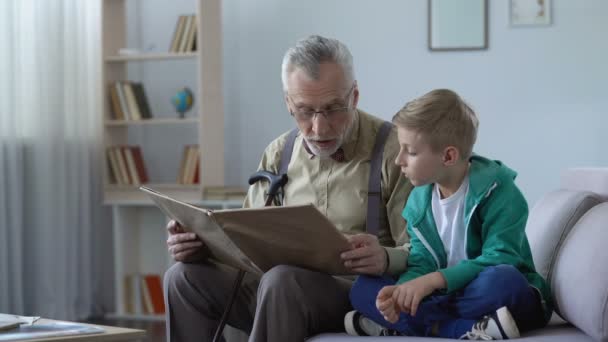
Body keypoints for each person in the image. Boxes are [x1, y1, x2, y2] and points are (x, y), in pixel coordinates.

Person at [163, 35, 413, 342]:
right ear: (288, 103)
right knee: (183, 277)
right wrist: (202, 248)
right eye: (305, 111)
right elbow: (243, 243)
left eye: (333, 109)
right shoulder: (278, 153)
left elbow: (427, 252)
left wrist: (386, 258)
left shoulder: (395, 152)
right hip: (273, 291)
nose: (319, 128)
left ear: (355, 96)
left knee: (283, 280)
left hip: (356, 294)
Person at [345, 89, 553, 339]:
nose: (399, 159)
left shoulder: (502, 192)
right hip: (449, 295)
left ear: (448, 156)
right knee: (362, 289)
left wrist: (432, 281)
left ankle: (417, 325)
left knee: (503, 280)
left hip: (496, 293)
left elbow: (500, 258)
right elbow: (421, 262)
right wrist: (401, 293)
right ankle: (468, 329)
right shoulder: (418, 202)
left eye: (409, 151)